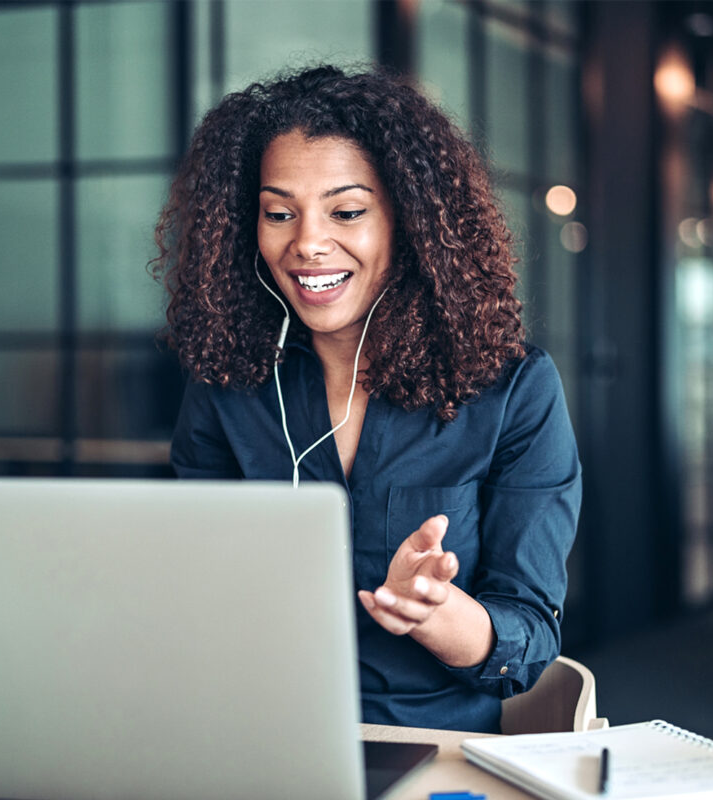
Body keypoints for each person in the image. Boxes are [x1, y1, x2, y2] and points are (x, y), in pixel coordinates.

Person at [152, 65, 581, 733]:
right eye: (278, 213)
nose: (308, 243)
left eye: (347, 211)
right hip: (254, 735)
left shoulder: (512, 390)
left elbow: (526, 640)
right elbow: (188, 591)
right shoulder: (228, 384)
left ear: (408, 223)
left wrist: (436, 613)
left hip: (432, 744)